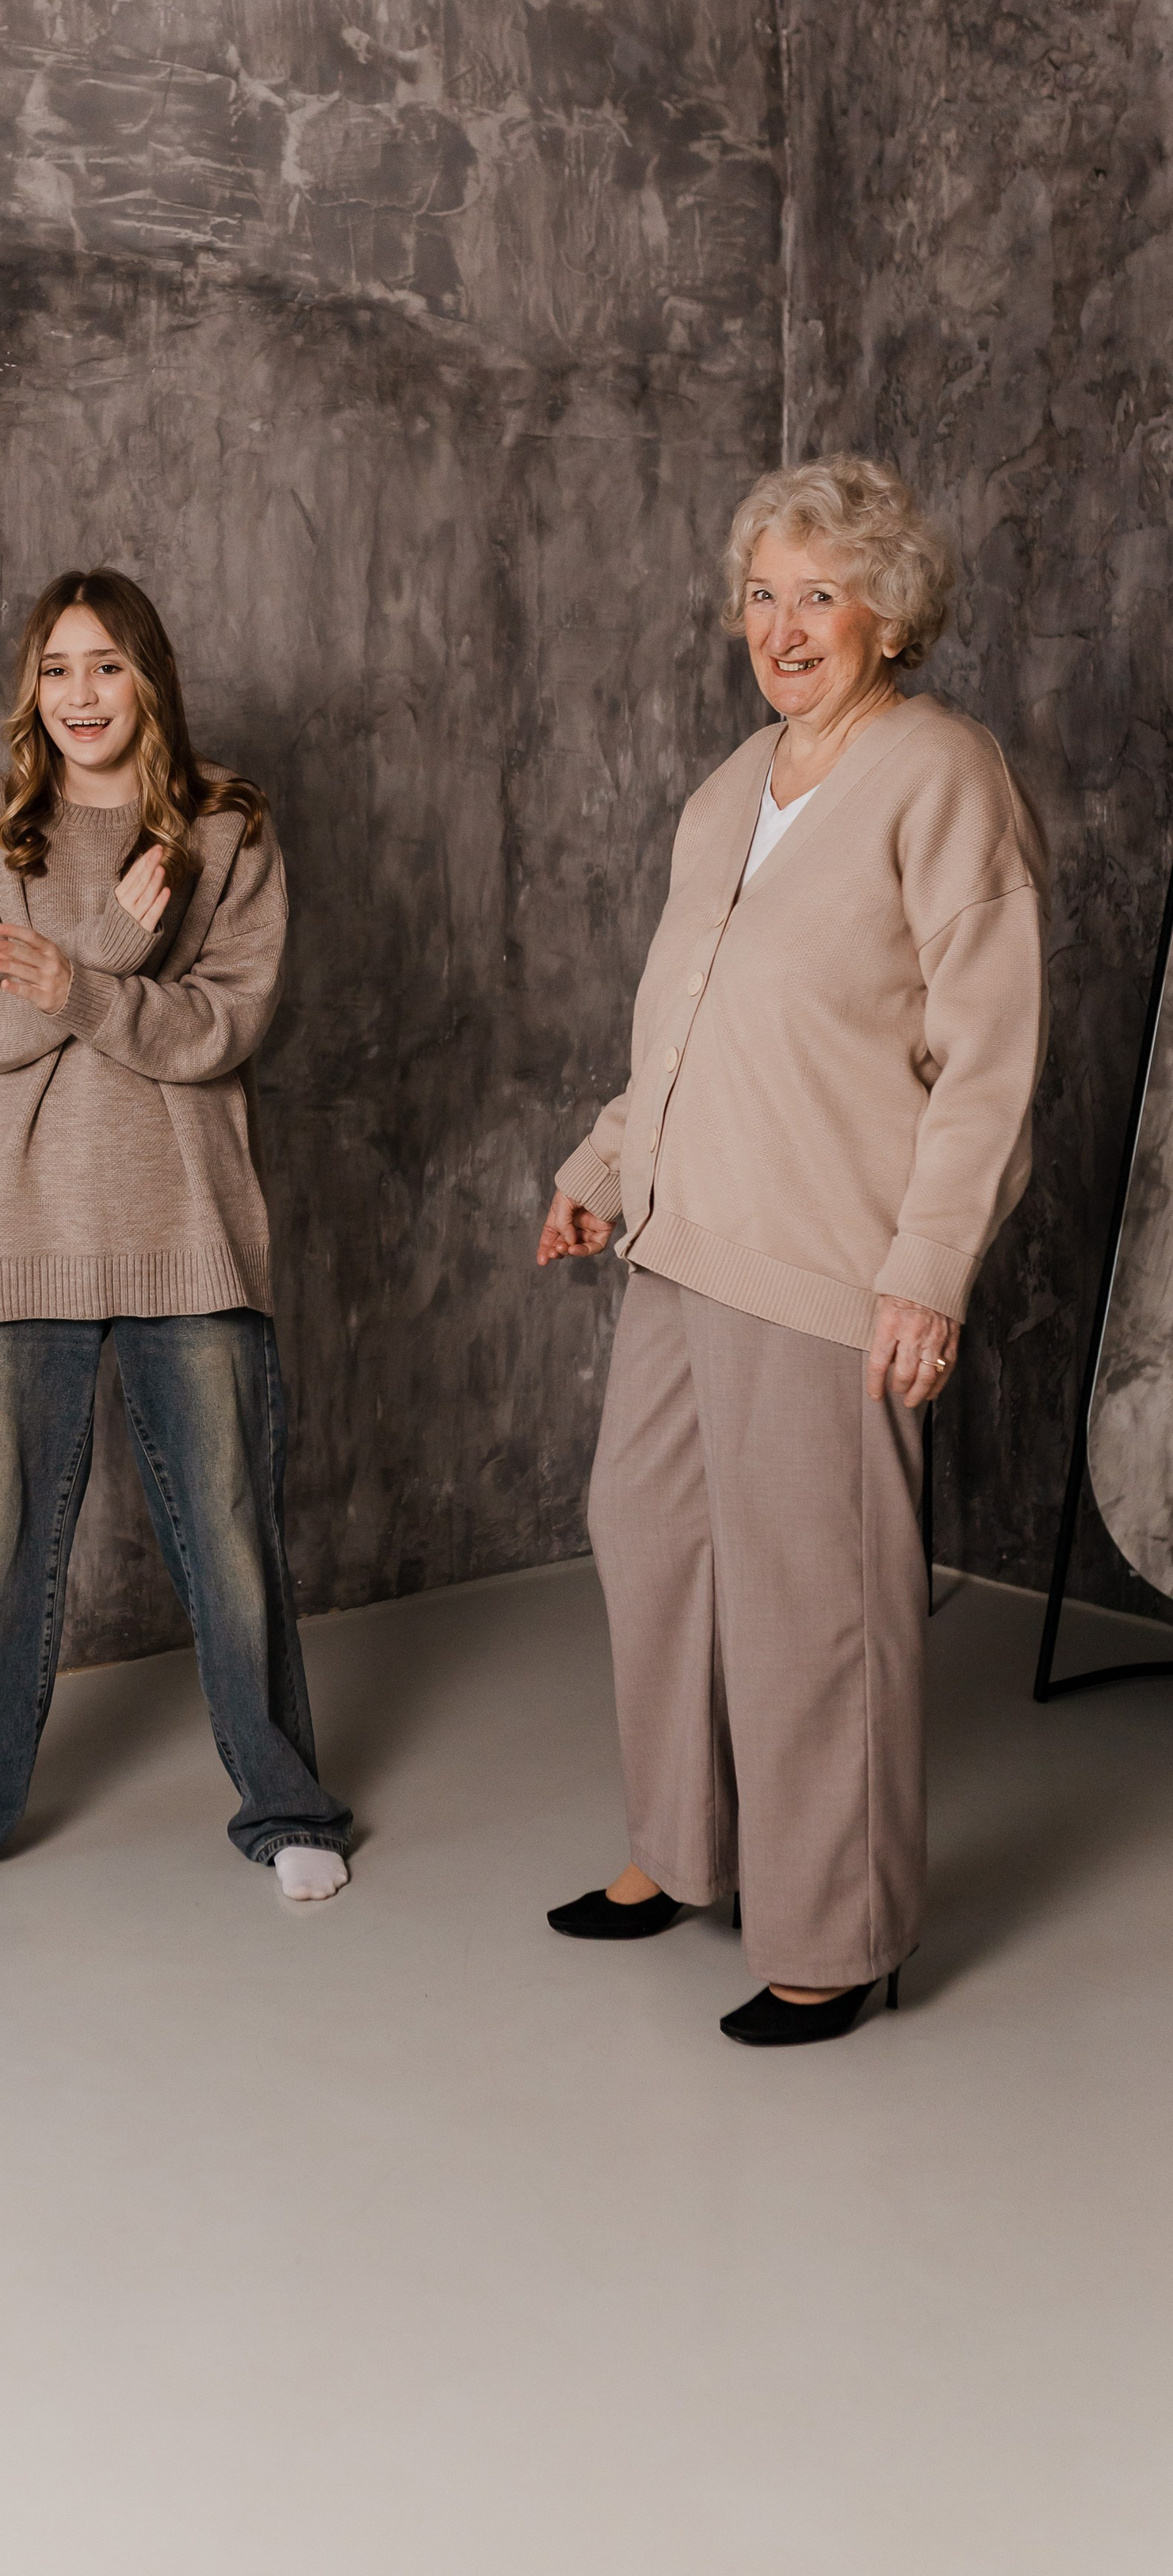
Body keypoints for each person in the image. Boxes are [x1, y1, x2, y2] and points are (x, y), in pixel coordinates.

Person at [537, 459, 1047, 2045]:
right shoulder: (724, 790)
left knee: (811, 1593)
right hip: (681, 1240)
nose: (782, 624)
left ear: (883, 612)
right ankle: (682, 1851)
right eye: (760, 594)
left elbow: (989, 1056)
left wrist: (924, 1271)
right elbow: (675, 1028)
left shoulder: (938, 775)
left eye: (816, 591)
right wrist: (599, 1167)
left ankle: (836, 1930)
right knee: (649, 1532)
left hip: (828, 1256)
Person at [0, 572, 352, 1909]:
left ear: (148, 676)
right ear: (31, 689)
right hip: (17, 1221)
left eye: (104, 668)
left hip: (183, 1221)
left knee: (231, 1529)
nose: (79, 697)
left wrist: (76, 980)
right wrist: (105, 951)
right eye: (55, 672)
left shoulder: (225, 827)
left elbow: (222, 1027)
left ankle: (285, 1801)